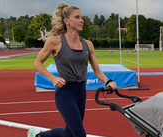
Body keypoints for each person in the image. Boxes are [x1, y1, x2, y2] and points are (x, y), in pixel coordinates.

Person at [28, 2, 117, 137]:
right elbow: (37, 63)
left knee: (68, 134)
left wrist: (108, 81)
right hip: (65, 93)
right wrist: (53, 78)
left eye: (82, 18)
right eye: (77, 17)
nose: (81, 21)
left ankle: (37, 136)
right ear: (66, 21)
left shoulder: (88, 44)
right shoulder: (55, 41)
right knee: (79, 134)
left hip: (81, 92)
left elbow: (97, 71)